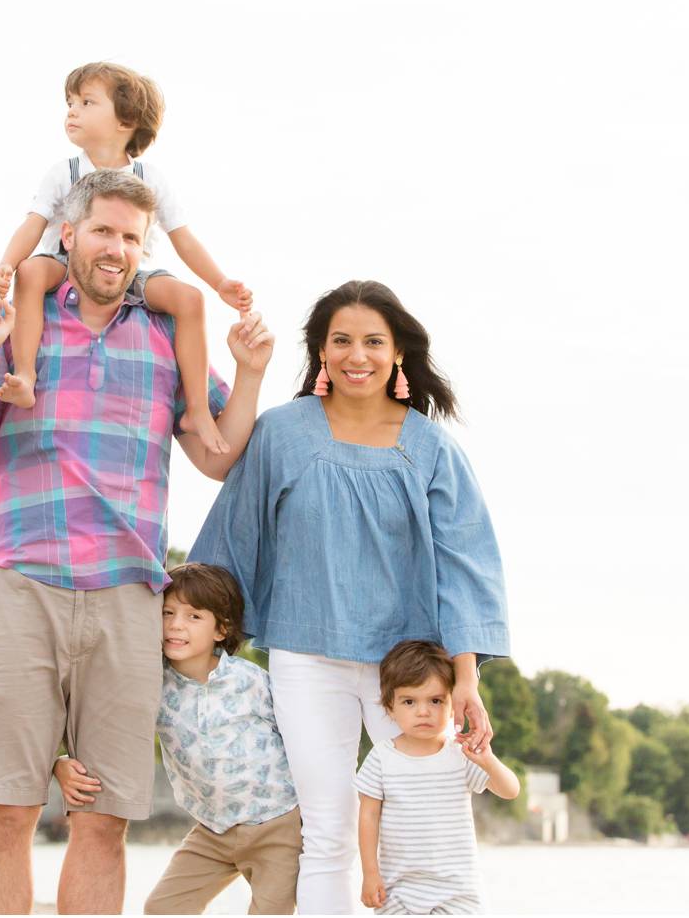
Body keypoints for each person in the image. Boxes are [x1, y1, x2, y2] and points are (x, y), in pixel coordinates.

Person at [0, 167, 275, 916]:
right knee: (8, 810)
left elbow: (218, 456)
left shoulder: (165, 337)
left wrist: (248, 377)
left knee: (103, 819)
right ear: (68, 234)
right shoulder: (18, 324)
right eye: (103, 231)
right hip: (20, 586)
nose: (116, 248)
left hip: (127, 600)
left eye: (131, 236)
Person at [189, 280, 510, 914]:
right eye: (341, 340)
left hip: (412, 671)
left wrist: (465, 678)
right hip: (307, 658)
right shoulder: (282, 435)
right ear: (319, 352)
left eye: (372, 341)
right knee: (328, 831)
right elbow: (234, 535)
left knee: (422, 823)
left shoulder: (431, 448)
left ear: (397, 356)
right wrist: (189, 634)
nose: (355, 354)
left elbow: (467, 565)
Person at [0, 61, 253, 457]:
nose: (72, 111)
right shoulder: (65, 171)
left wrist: (220, 284)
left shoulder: (149, 176)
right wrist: (6, 266)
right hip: (64, 262)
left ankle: (197, 409)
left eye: (86, 102)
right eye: (70, 103)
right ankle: (26, 373)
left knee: (189, 299)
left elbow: (183, 237)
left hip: (126, 272)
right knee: (31, 271)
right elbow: (34, 223)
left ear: (125, 120)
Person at [55, 562, 302, 914]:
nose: (175, 625)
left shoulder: (251, 681)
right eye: (167, 612)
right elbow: (104, 724)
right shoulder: (152, 684)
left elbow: (298, 741)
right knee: (162, 908)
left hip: (277, 826)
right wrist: (62, 760)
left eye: (193, 616)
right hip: (212, 831)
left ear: (222, 629)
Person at [356, 641, 520, 915]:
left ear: (452, 703)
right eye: (409, 701)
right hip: (398, 891)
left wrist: (487, 760)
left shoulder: (460, 754)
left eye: (435, 700)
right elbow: (368, 817)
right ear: (390, 707)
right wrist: (370, 874)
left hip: (458, 892)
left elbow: (510, 790)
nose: (423, 711)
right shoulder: (382, 757)